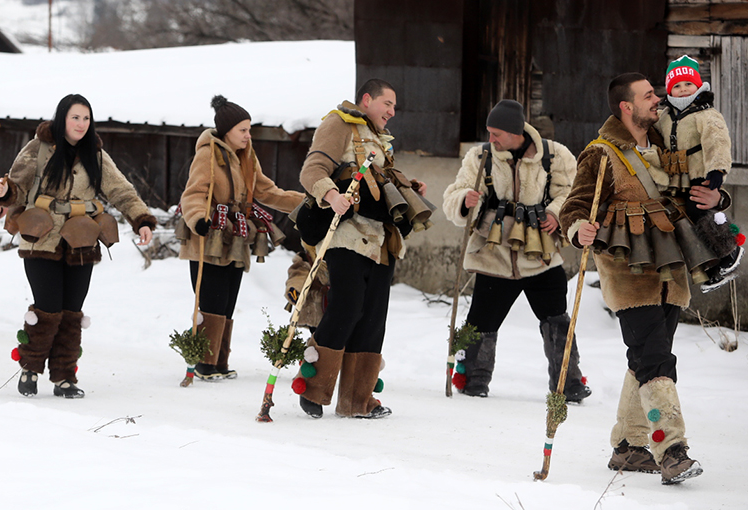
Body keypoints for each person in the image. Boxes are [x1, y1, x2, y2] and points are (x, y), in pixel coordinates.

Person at [560, 72, 729, 485]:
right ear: (626, 106)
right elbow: (574, 206)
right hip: (628, 275)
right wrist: (578, 226)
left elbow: (696, 187)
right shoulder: (600, 155)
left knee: (645, 360)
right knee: (656, 360)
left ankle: (627, 447)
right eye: (649, 95)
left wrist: (717, 197)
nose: (658, 100)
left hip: (670, 273)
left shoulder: (666, 143)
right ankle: (670, 448)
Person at [0, 94, 156, 399]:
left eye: (86, 118)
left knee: (72, 311)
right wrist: (4, 190)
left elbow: (121, 191)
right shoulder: (39, 148)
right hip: (42, 237)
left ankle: (64, 376)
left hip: (82, 240)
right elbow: (18, 185)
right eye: (75, 117)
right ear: (62, 118)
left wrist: (141, 219)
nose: (81, 124)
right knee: (47, 306)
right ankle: (29, 368)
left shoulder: (96, 155)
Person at [294, 79, 429, 419]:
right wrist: (331, 195)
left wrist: (409, 188)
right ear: (366, 99)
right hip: (347, 236)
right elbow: (312, 170)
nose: (392, 112)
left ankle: (358, 402)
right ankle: (312, 389)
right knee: (346, 309)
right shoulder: (339, 123)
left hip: (383, 241)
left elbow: (378, 184)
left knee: (372, 320)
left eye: (395, 107)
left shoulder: (380, 139)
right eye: (388, 103)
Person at [441, 99, 589, 401]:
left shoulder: (556, 155)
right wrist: (464, 201)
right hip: (493, 255)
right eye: (489, 132)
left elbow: (571, 194)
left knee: (557, 319)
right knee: (480, 322)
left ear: (516, 131)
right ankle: (472, 380)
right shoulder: (480, 156)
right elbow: (454, 193)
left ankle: (568, 382)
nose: (491, 139)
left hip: (540, 256)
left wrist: (556, 214)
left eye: (496, 133)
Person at [178, 95, 303, 380]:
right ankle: (205, 362)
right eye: (243, 130)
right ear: (226, 132)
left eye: (249, 129)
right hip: (209, 234)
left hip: (235, 235)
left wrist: (307, 203)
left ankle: (219, 361)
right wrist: (198, 219)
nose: (248, 135)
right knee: (212, 296)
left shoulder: (247, 157)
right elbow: (194, 193)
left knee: (228, 297)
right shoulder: (208, 155)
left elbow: (268, 192)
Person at [655, 56, 742, 291]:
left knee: (698, 210)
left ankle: (729, 250)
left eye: (688, 85)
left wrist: (717, 169)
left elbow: (718, 143)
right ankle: (709, 266)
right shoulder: (664, 116)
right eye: (677, 86)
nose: (683, 90)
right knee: (683, 222)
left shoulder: (707, 114)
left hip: (698, 175)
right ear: (669, 88)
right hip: (673, 179)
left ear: (698, 85)